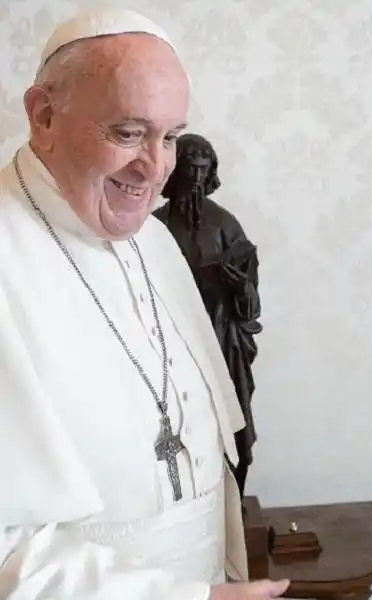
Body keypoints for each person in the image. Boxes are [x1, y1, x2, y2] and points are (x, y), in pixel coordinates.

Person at [0, 8, 287, 599]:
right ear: (44, 115)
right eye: (128, 133)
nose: (155, 168)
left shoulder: (153, 240)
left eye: (172, 137)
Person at [154, 133, 263, 498]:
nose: (196, 179)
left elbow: (251, 305)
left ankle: (233, 503)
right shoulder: (153, 226)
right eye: (189, 170)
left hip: (220, 340)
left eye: (203, 170)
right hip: (167, 347)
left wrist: (238, 287)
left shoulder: (226, 227)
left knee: (234, 431)